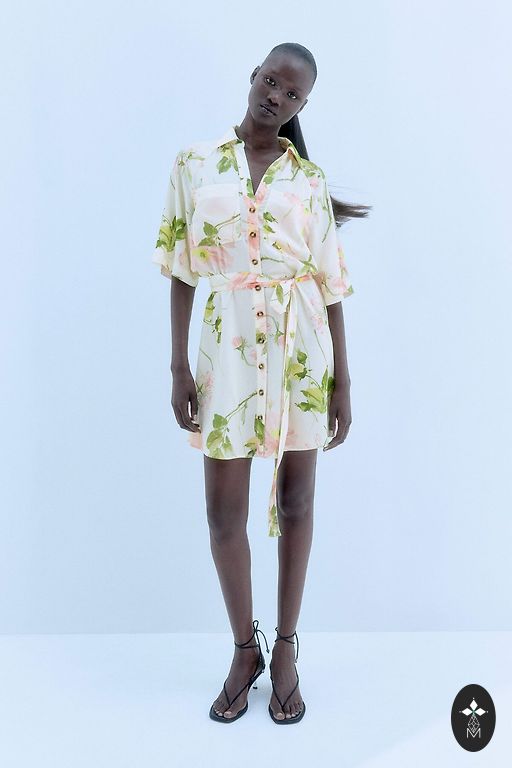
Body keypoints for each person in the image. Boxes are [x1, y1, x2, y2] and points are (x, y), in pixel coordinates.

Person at [151, 42, 370, 724]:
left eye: (292, 93)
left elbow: (331, 285)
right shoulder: (195, 163)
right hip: (224, 354)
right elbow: (181, 269)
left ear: (303, 105)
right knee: (223, 514)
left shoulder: (308, 179)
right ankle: (244, 649)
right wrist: (178, 365)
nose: (277, 96)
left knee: (297, 503)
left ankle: (286, 651)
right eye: (271, 81)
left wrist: (343, 381)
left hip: (301, 351)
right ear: (254, 76)